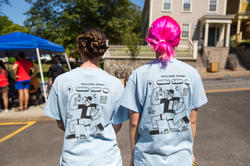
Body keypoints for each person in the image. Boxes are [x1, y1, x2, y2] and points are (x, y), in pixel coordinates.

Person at [119, 16, 208, 166]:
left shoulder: (139, 75)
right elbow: (192, 121)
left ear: (151, 41)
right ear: (177, 41)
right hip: (182, 159)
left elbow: (134, 123)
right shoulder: (191, 73)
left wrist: (134, 154)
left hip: (147, 160)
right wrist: (190, 151)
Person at [44, 28, 127, 166]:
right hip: (107, 159)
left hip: (73, 160)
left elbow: (61, 123)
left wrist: (80, 130)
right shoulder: (115, 83)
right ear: (103, 50)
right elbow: (116, 125)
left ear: (79, 48)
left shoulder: (61, 81)